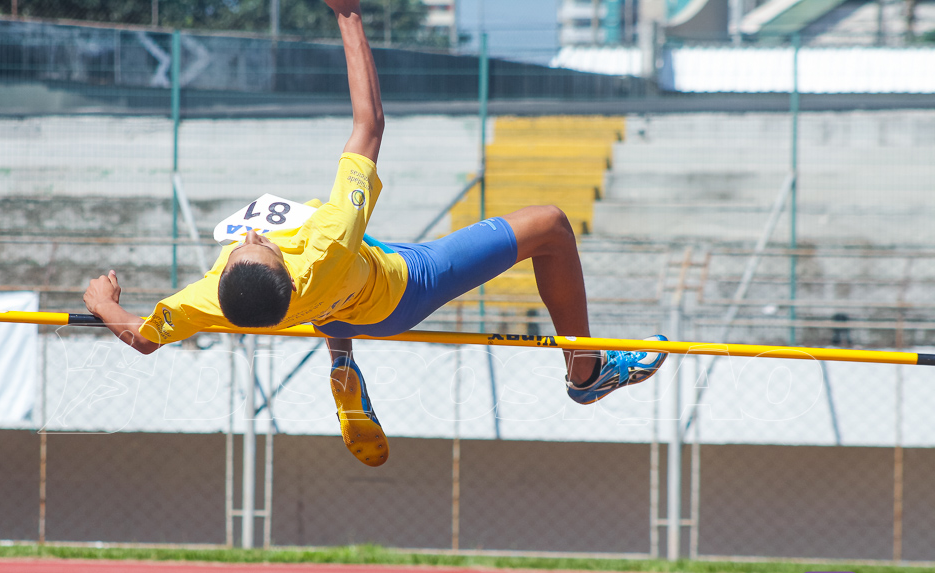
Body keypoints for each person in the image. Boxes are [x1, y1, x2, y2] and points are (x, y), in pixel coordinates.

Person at [83, 0, 667, 467]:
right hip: (404, 287)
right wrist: (347, 15)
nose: (248, 240)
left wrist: (102, 302)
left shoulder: (211, 302)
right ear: (285, 269)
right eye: (254, 248)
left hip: (331, 303)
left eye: (242, 249)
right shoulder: (328, 243)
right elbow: (370, 124)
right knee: (551, 225)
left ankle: (342, 364)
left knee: (333, 299)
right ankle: (586, 373)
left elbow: (141, 336)